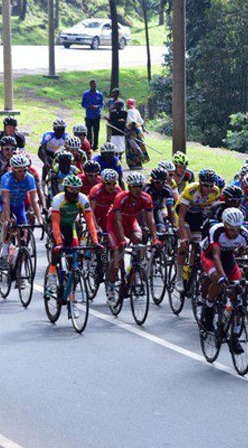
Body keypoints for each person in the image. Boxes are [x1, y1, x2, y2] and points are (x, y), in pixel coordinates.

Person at [200, 208, 248, 352]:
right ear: (225, 225)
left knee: (238, 292)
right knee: (218, 281)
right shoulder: (217, 231)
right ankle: (208, 311)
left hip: (228, 258)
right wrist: (222, 276)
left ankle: (234, 336)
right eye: (231, 229)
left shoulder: (244, 233)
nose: (235, 232)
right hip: (210, 257)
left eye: (237, 229)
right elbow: (216, 256)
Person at [105, 172, 160, 304]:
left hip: (131, 222)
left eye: (140, 186)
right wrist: (122, 240)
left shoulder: (146, 198)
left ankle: (135, 267)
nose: (138, 189)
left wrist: (155, 238)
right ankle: (111, 286)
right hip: (114, 224)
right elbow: (118, 221)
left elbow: (150, 220)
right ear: (129, 187)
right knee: (118, 254)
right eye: (135, 187)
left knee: (139, 239)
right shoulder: (121, 197)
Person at [174, 168, 221, 292]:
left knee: (198, 243)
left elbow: (214, 214)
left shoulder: (215, 191)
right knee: (185, 243)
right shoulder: (191, 190)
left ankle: (191, 269)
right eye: (206, 185)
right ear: (200, 183)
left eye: (211, 185)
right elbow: (182, 216)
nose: (209, 188)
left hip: (198, 215)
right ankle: (179, 277)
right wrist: (183, 237)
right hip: (185, 214)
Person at [0, 154, 39, 260]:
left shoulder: (29, 178)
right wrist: (7, 218)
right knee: (9, 223)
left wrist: (40, 219)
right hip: (3, 204)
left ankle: (21, 252)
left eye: (24, 170)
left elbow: (34, 200)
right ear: (14, 170)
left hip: (19, 205)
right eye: (19, 171)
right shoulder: (6, 178)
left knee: (24, 227)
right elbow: (6, 201)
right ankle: (4, 251)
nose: (22, 173)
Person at [125, 98, 149, 166]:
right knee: (140, 145)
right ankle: (141, 161)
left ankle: (135, 163)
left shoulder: (130, 111)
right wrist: (143, 129)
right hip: (139, 131)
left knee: (132, 147)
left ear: (128, 105)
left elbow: (133, 123)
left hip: (133, 131)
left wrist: (129, 133)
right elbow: (141, 122)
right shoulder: (136, 111)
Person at [81, 79, 104, 149]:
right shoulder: (86, 94)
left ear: (96, 85)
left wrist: (96, 106)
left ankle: (95, 145)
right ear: (90, 85)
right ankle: (89, 144)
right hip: (89, 116)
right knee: (89, 132)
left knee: (96, 131)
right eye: (92, 84)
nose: (93, 85)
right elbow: (83, 104)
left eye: (94, 84)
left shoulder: (99, 94)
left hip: (96, 115)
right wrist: (89, 106)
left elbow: (102, 104)